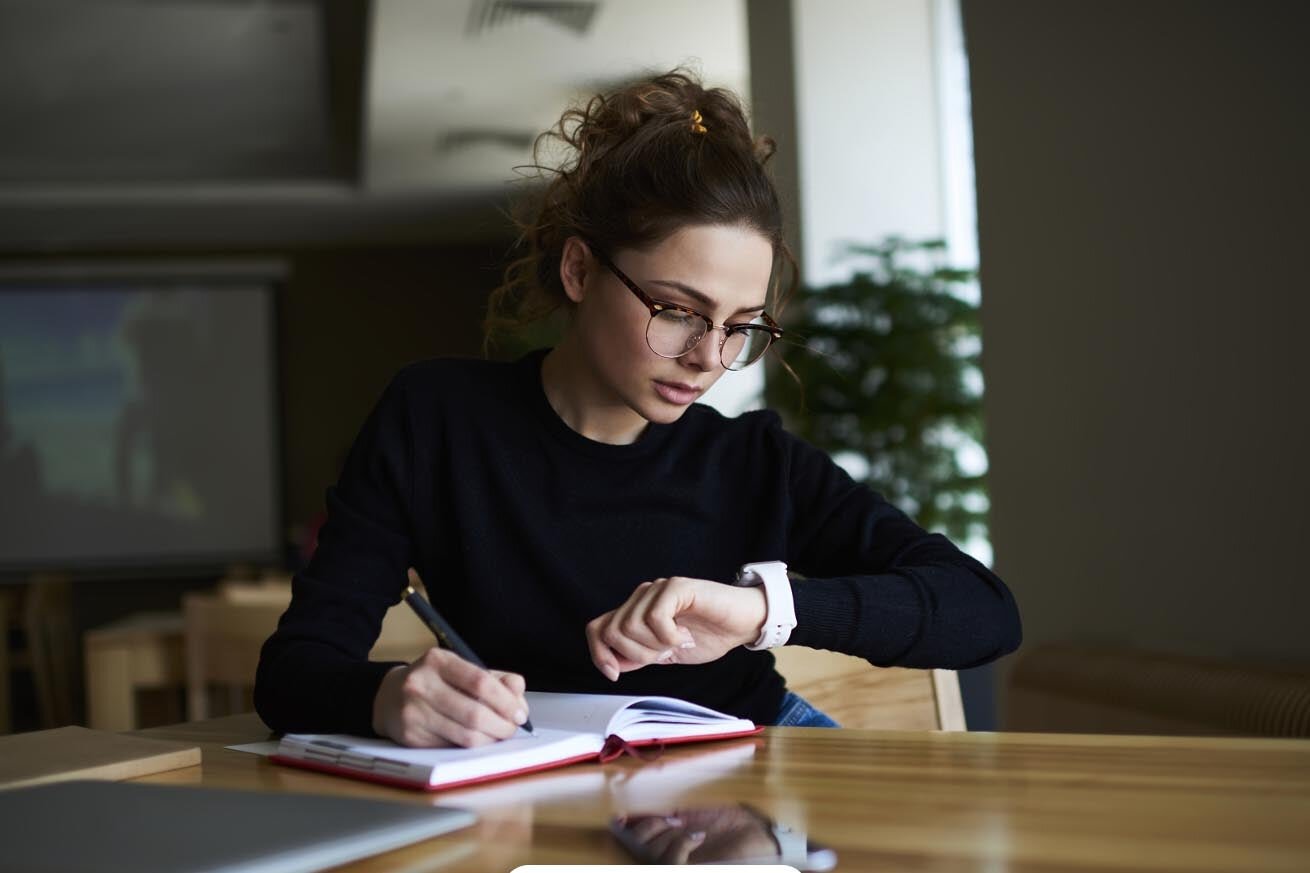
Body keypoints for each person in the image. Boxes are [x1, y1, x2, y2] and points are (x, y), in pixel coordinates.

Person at [254, 69, 1021, 748]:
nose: (709, 358)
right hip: (536, 773)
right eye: (678, 310)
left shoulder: (753, 460)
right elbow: (294, 672)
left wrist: (760, 611)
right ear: (581, 269)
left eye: (740, 326)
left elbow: (983, 610)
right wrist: (387, 696)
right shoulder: (435, 419)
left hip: (751, 765)